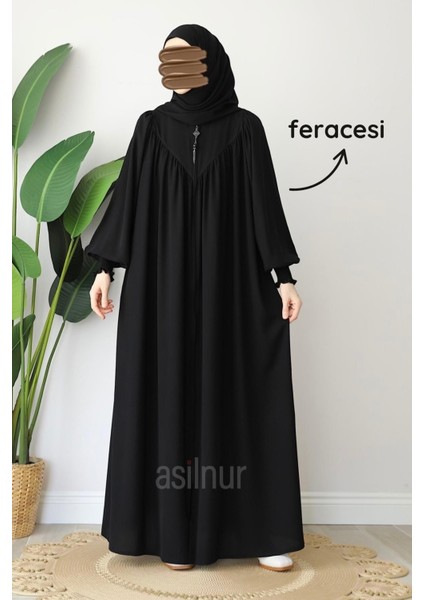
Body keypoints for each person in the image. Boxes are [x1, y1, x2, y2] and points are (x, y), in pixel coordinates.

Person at [86, 23, 304, 571]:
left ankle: (259, 532)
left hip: (232, 288)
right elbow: (128, 200)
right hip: (160, 290)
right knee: (164, 393)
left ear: (212, 63)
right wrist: (105, 269)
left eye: (188, 59)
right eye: (170, 60)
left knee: (242, 394)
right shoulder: (151, 127)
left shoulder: (245, 128)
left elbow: (264, 205)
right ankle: (172, 536)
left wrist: (283, 277)